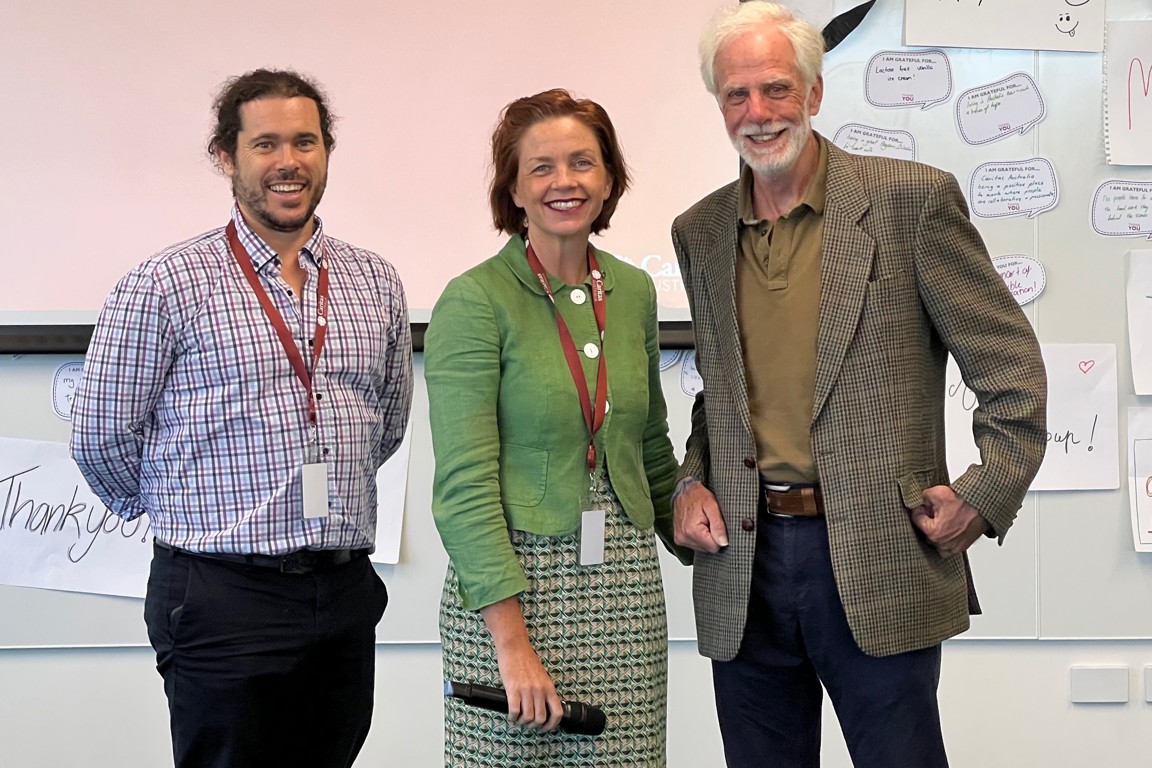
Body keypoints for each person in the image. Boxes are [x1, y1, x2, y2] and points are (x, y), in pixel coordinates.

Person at [671, 3, 1047, 767]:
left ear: (813, 94)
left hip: (882, 555)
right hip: (743, 568)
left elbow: (1012, 373)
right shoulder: (699, 231)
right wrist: (688, 483)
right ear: (719, 106)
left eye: (776, 89)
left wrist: (983, 494)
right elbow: (722, 397)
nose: (758, 112)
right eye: (736, 95)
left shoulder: (912, 201)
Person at [70, 68, 412, 768]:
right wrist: (183, 512)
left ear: (325, 152)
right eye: (265, 144)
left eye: (305, 142)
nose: (288, 162)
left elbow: (388, 418)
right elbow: (102, 432)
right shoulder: (166, 282)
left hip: (343, 591)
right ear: (226, 156)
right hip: (221, 596)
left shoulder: (374, 279)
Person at [424, 89, 686, 767]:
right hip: (514, 599)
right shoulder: (474, 300)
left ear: (608, 179)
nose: (564, 182)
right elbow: (464, 487)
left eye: (582, 163)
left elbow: (649, 447)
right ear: (512, 188)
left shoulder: (633, 291)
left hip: (625, 596)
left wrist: (715, 547)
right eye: (541, 167)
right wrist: (511, 644)